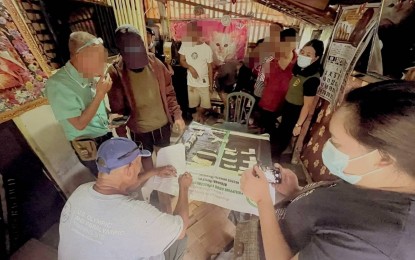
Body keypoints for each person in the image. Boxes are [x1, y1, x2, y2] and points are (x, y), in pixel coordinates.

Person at [241, 80, 415, 259]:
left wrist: (263, 201)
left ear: (382, 158)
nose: (327, 145)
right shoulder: (378, 179)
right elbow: (332, 211)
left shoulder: (373, 241)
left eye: (336, 142)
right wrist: (296, 192)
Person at [58, 137, 193, 260]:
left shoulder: (81, 191)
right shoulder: (138, 214)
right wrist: (184, 187)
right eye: (138, 164)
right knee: (180, 239)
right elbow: (180, 229)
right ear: (129, 169)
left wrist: (155, 172)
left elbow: (126, 185)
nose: (140, 168)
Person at [108, 25, 185, 171]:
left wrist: (178, 116)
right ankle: (152, 186)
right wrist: (122, 136)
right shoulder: (115, 72)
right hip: (139, 129)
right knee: (146, 159)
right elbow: (117, 108)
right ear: (122, 53)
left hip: (162, 125)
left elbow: (169, 92)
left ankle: (165, 190)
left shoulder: (155, 63)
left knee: (164, 159)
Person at [46, 31, 114, 176]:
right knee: (108, 181)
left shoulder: (86, 73)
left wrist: (110, 115)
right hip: (90, 143)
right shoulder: (58, 85)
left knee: (118, 173)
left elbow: (91, 103)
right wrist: (101, 94)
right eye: (97, 59)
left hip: (104, 134)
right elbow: (79, 124)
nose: (102, 63)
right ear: (80, 57)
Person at [272, 39, 324, 161]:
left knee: (282, 139)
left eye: (308, 54)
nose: (304, 56)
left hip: (295, 111)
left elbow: (307, 105)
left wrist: (298, 125)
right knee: (278, 134)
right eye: (303, 52)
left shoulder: (312, 79)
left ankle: (273, 160)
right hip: (287, 106)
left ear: (316, 58)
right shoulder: (300, 71)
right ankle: (272, 155)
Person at [257, 28, 298, 134]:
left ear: (294, 44)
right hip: (268, 104)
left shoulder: (299, 63)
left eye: (288, 45)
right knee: (266, 133)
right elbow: (261, 80)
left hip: (288, 106)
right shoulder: (269, 60)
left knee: (280, 134)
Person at [179, 22, 213, 123]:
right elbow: (182, 60)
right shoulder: (185, 45)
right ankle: (197, 120)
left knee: (206, 105)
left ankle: (198, 115)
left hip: (204, 83)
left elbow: (210, 67)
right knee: (193, 105)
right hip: (192, 83)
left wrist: (211, 85)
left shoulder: (207, 48)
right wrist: (190, 67)